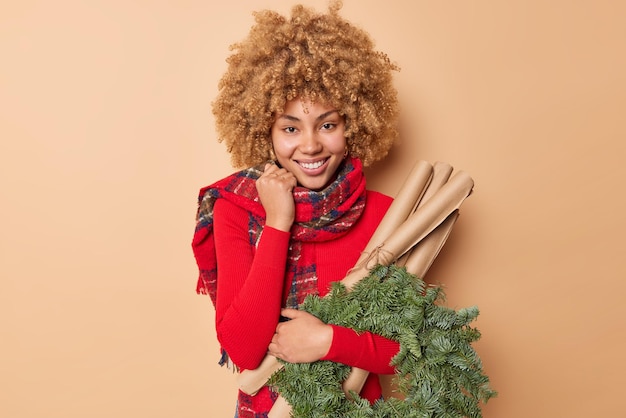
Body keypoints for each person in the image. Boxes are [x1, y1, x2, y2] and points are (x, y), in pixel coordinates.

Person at [192, 2, 401, 416]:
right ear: (264, 132)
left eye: (328, 124)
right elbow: (244, 350)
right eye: (290, 128)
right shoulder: (236, 210)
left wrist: (329, 341)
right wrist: (278, 221)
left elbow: (412, 347)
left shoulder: (388, 216)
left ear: (354, 124)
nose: (309, 146)